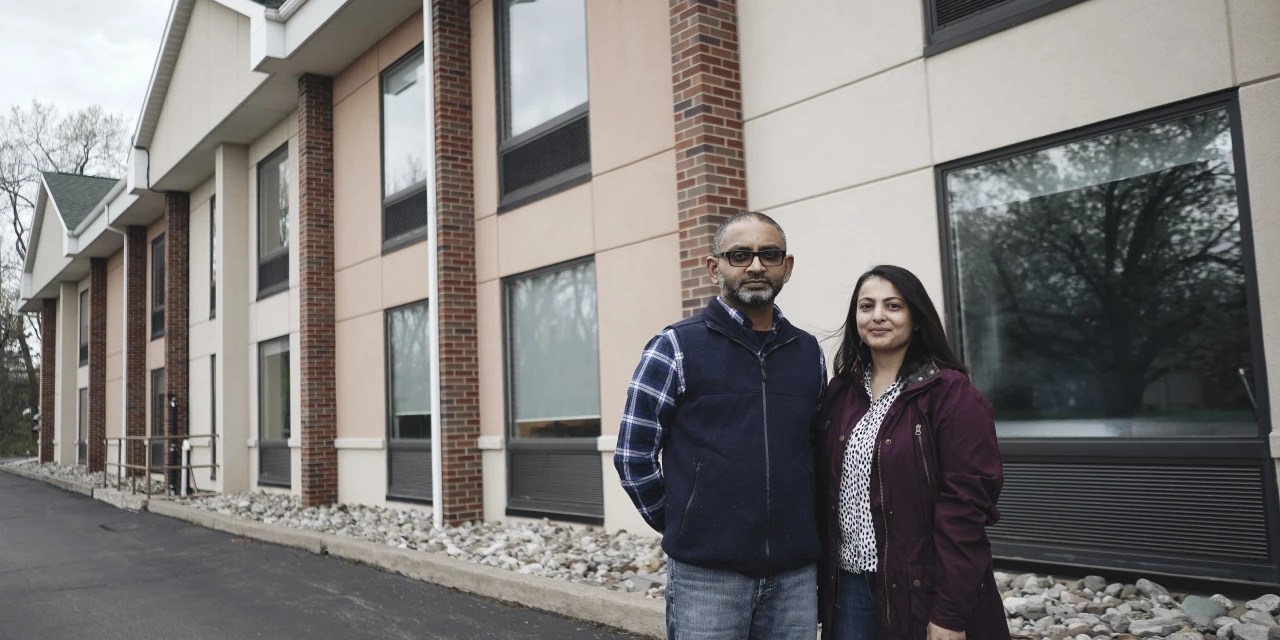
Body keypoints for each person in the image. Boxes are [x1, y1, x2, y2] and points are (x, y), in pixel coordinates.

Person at [615, 211, 827, 639]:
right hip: (706, 576)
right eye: (739, 255)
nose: (755, 266)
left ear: (787, 266)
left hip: (795, 575)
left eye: (769, 255)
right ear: (715, 268)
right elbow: (632, 454)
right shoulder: (674, 346)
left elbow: (817, 451)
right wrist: (684, 522)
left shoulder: (808, 352)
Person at [816, 265, 1008, 640]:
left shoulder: (951, 395)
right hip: (850, 588)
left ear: (916, 318)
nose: (878, 316)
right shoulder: (841, 392)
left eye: (894, 306)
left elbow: (966, 510)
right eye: (866, 306)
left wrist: (951, 614)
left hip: (922, 588)